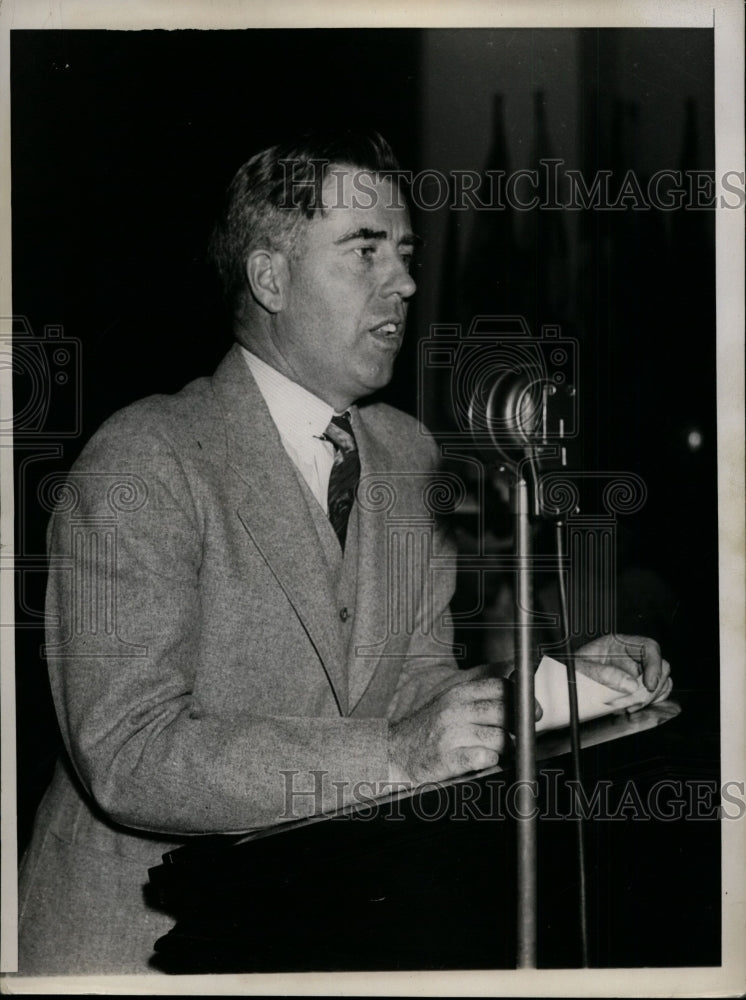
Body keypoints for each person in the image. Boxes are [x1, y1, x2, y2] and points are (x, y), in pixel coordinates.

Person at [17, 130, 672, 974]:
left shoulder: (408, 453)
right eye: (363, 252)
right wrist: (394, 754)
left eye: (404, 253)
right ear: (270, 277)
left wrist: (565, 689)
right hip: (139, 948)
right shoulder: (145, 458)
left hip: (311, 928)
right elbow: (129, 752)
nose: (402, 281)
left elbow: (412, 683)